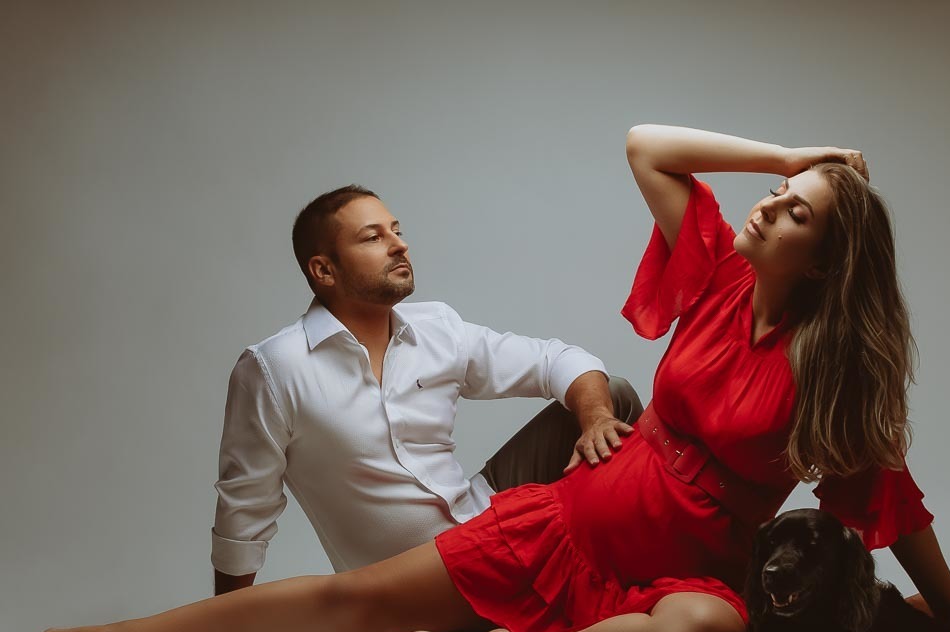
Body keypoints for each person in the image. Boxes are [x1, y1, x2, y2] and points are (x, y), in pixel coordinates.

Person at [19, 125, 950, 632]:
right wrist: (794, 153)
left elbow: (891, 500)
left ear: (828, 263)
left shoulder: (832, 371)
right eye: (775, 192)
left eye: (797, 210)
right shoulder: (720, 275)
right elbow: (648, 145)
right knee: (349, 601)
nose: (768, 204)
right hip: (566, 522)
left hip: (682, 572)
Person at [210, 185, 642, 596]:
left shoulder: (437, 328)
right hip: (412, 581)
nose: (399, 245)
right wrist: (224, 625)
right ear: (324, 270)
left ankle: (641, 568)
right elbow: (245, 508)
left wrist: (596, 419)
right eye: (373, 237)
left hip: (484, 523)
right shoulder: (275, 367)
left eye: (396, 231)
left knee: (611, 397)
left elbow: (557, 360)